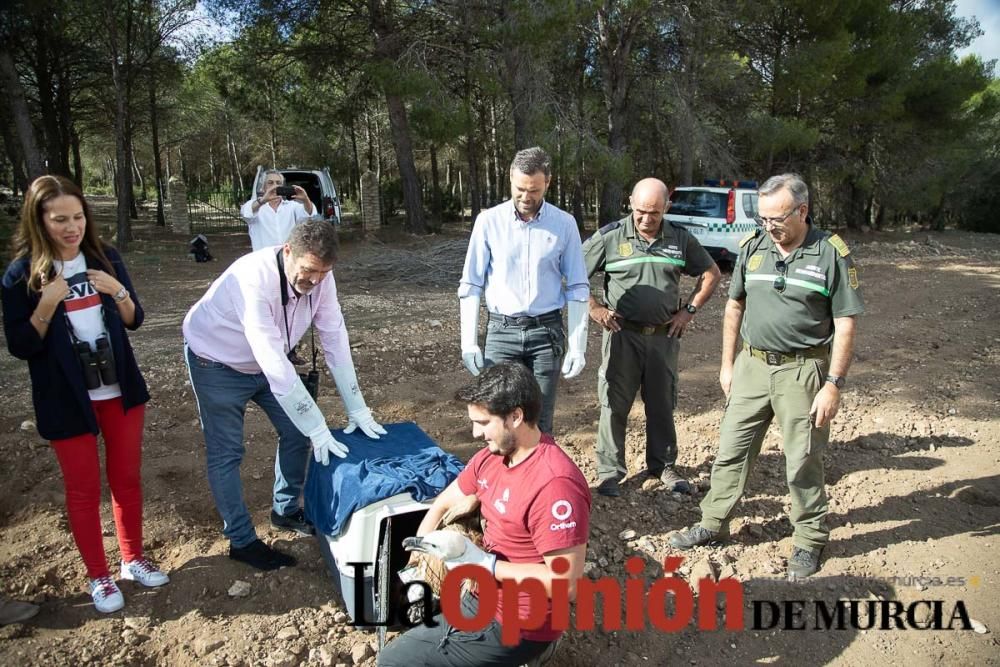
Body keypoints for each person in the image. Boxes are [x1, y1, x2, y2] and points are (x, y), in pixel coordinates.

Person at [669, 173, 864, 579]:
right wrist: (728, 364)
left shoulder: (830, 253)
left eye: (776, 219)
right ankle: (713, 523)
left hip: (803, 371)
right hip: (752, 366)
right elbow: (733, 307)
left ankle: (809, 540)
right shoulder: (754, 247)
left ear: (803, 211)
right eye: (762, 218)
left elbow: (845, 322)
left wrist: (834, 384)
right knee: (731, 450)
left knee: (802, 460)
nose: (768, 226)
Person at [2, 175, 169, 614]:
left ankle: (132, 559)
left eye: (77, 217)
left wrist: (118, 292)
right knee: (82, 489)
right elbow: (21, 345)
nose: (71, 226)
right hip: (65, 397)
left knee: (127, 478)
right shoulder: (21, 274)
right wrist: (46, 304)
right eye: (59, 219)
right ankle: (99, 576)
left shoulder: (104, 258)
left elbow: (134, 319)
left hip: (119, 389)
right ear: (39, 220)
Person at [183, 220, 386, 570]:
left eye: (323, 273)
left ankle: (287, 509)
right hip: (216, 362)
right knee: (227, 451)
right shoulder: (252, 278)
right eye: (309, 271)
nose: (315, 281)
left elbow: (334, 336)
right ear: (287, 251)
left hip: (269, 359)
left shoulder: (321, 276)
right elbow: (275, 365)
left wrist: (358, 408)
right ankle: (242, 540)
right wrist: (319, 426)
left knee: (297, 431)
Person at [377, 361, 591, 667]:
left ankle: (537, 652)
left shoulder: (555, 485)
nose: (476, 433)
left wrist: (483, 563)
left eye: (483, 422)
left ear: (516, 416)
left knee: (393, 663)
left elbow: (566, 585)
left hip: (520, 623)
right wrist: (416, 565)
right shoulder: (490, 459)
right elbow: (442, 503)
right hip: (480, 597)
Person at [583, 178, 721, 498]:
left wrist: (688, 311)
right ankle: (609, 473)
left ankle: (663, 465)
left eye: (655, 213)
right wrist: (594, 308)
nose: (646, 219)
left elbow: (711, 273)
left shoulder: (680, 239)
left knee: (661, 403)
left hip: (663, 338)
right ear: (630, 203)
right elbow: (572, 272)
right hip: (622, 336)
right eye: (641, 211)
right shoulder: (611, 237)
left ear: (666, 209)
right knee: (614, 405)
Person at [458, 146, 590, 435]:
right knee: (497, 417)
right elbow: (471, 284)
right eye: (519, 189)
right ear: (510, 180)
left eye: (534, 190)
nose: (526, 197)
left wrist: (578, 345)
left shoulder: (564, 225)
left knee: (538, 420)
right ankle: (500, 479)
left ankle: (539, 479)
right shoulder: (488, 222)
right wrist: (468, 341)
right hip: (501, 333)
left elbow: (578, 286)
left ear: (548, 183)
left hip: (546, 334)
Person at [240, 170, 316, 251]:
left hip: (287, 258)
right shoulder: (256, 206)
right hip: (264, 260)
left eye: (278, 183)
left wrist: (306, 199)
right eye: (270, 183)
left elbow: (309, 215)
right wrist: (263, 200)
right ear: (263, 188)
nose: (274, 186)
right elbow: (245, 213)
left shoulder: (291, 206)